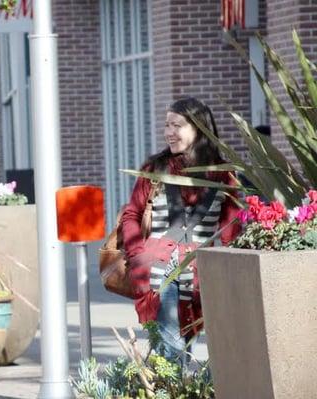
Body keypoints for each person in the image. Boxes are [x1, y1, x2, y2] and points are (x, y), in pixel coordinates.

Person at [121, 97, 241, 364]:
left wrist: (231, 271)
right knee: (171, 352)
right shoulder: (155, 169)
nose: (169, 132)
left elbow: (233, 229)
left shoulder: (224, 175)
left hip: (201, 278)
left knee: (185, 348)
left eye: (177, 125)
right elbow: (132, 214)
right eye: (167, 125)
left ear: (198, 128)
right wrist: (138, 254)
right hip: (157, 273)